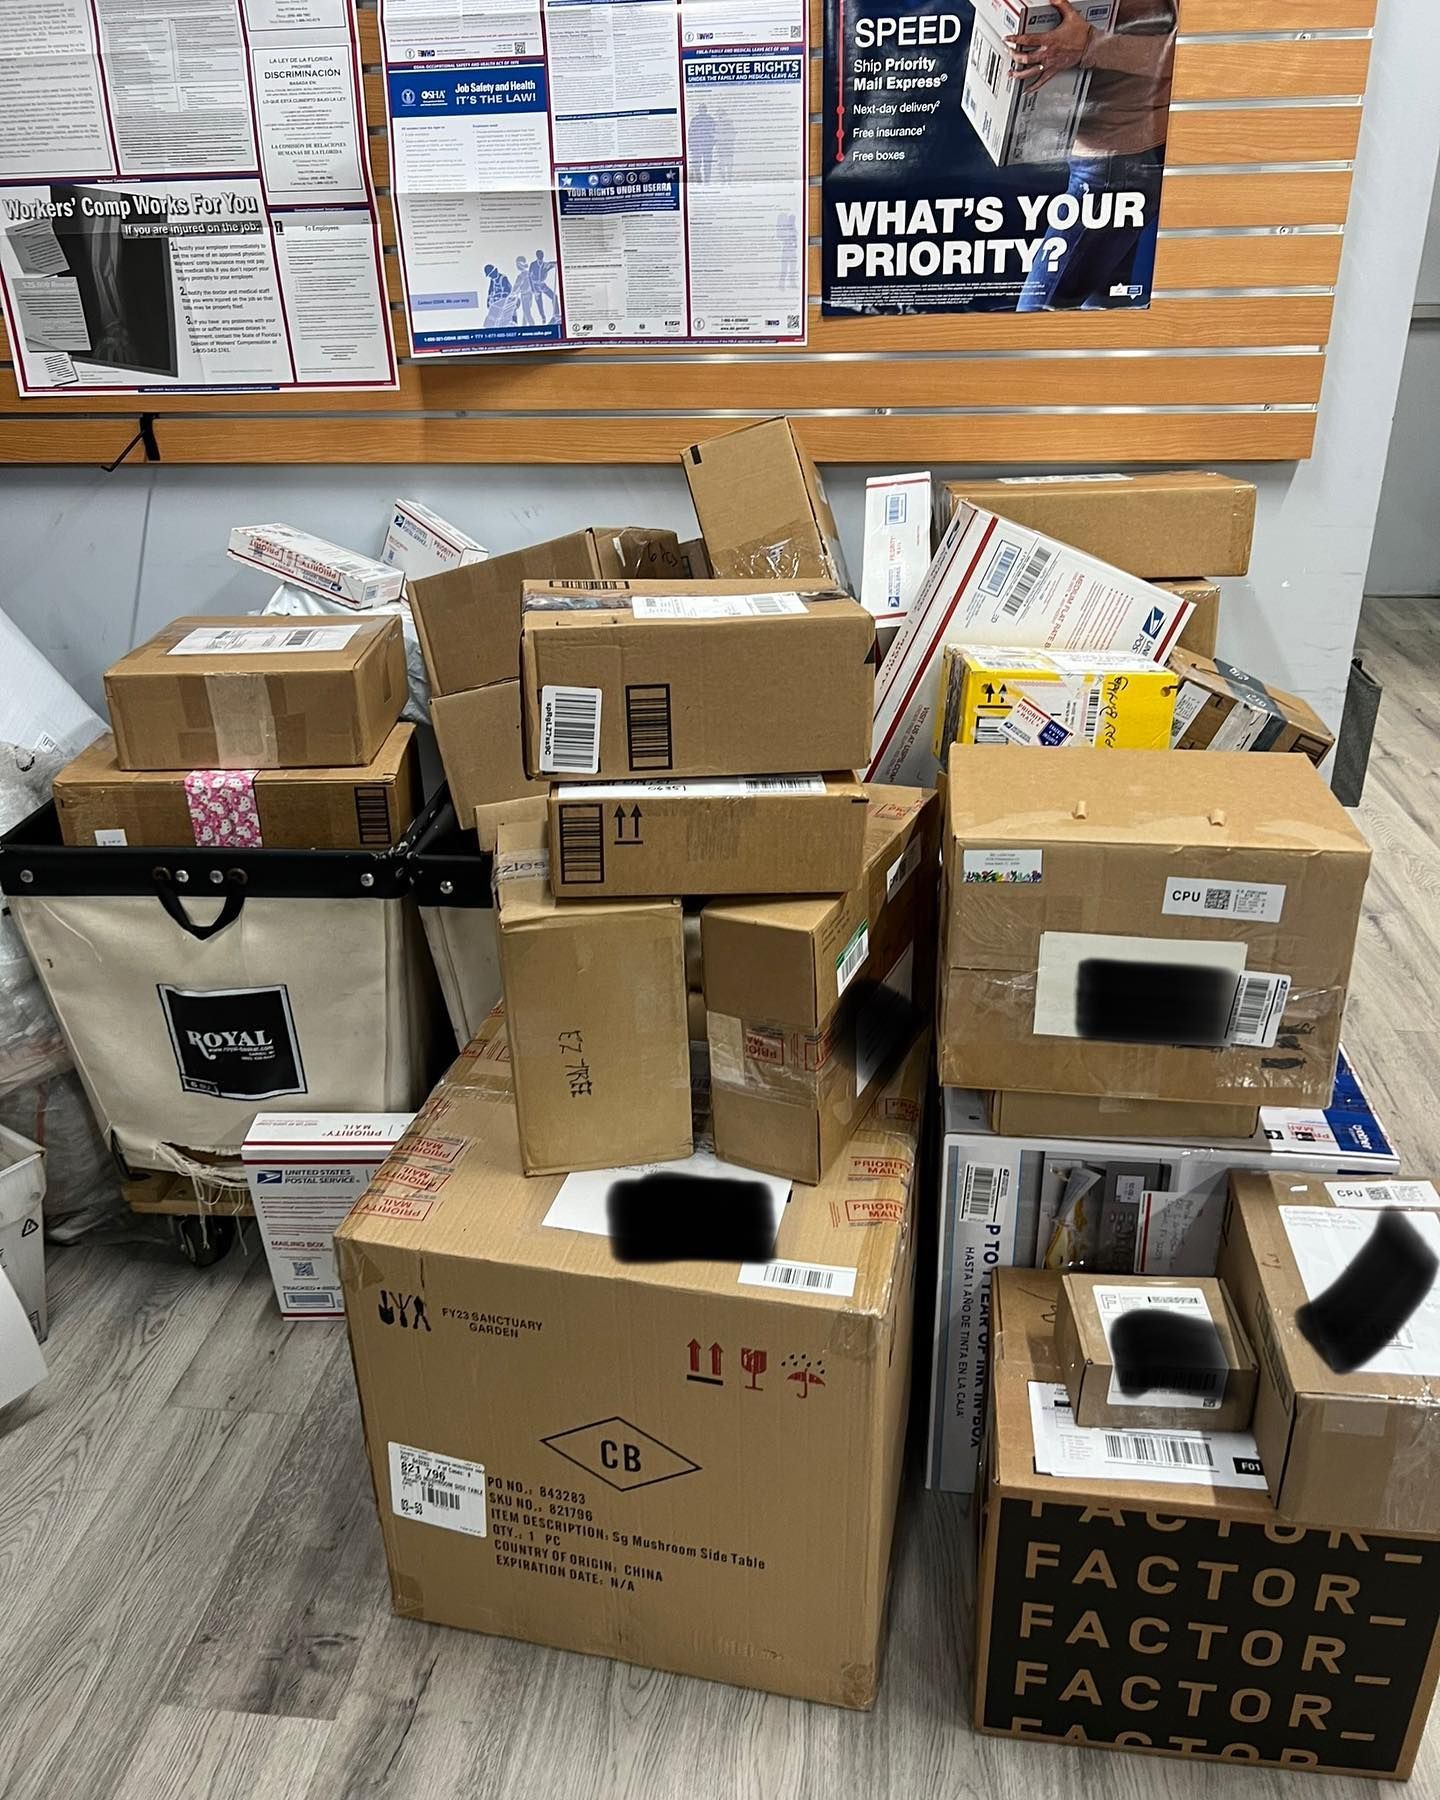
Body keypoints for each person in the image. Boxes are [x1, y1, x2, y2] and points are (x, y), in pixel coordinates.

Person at [1008, 0, 1176, 311]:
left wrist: (1089, 45)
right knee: (1103, 313)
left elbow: (1193, 52)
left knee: (1034, 322)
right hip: (1103, 158)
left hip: (1118, 165)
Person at [689, 104, 716, 183]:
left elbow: (690, 133)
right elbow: (714, 132)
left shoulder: (694, 119)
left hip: (698, 146)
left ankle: (700, 182)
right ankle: (706, 182)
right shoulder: (710, 119)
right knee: (707, 165)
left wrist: (691, 145)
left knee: (698, 165)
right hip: (706, 146)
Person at [530, 248, 558, 321]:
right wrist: (533, 290)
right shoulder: (533, 265)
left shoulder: (546, 265)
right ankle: (543, 317)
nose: (541, 261)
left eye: (541, 259)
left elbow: (554, 263)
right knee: (539, 303)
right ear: (537, 257)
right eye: (539, 259)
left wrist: (555, 264)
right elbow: (529, 277)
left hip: (542, 285)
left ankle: (556, 314)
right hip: (535, 286)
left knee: (554, 297)